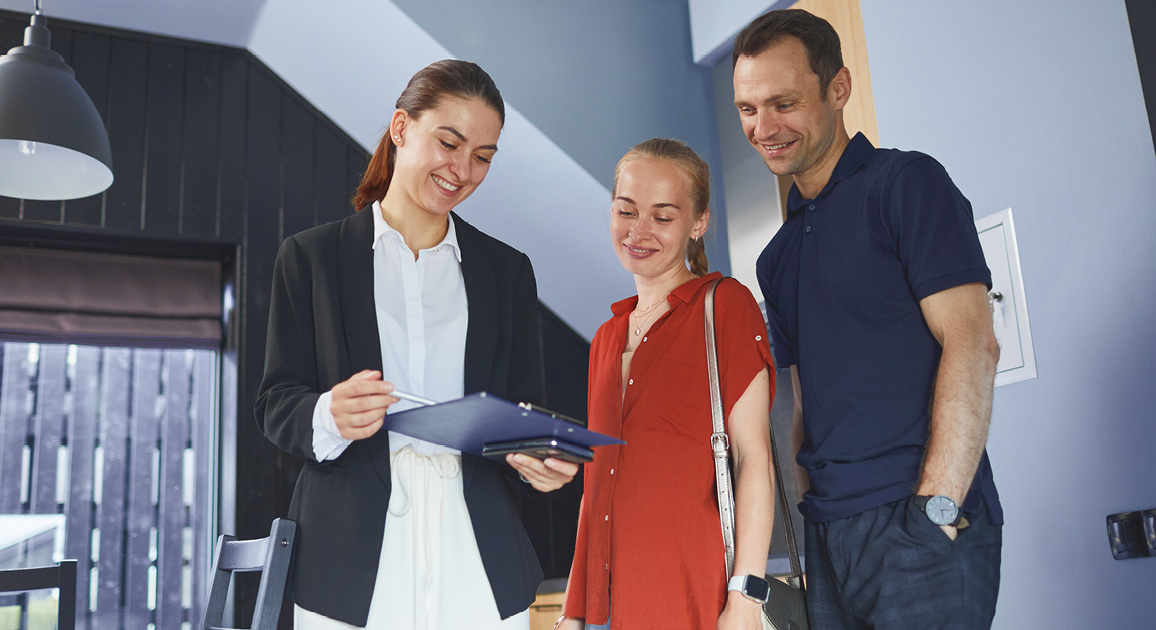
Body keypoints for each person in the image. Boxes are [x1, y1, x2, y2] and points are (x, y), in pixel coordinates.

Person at [255, 59, 578, 630]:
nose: (463, 170)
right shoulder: (310, 258)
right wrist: (329, 413)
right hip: (348, 556)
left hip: (477, 546)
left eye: (483, 156)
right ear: (401, 128)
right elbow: (277, 403)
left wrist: (535, 461)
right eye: (449, 143)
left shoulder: (506, 272)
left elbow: (519, 411)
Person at [734, 9, 1004, 629]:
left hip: (920, 520)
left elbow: (973, 343)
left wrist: (937, 511)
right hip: (829, 535)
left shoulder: (906, 184)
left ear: (839, 88)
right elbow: (803, 408)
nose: (763, 128)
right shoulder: (776, 257)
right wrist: (812, 520)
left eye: (783, 103)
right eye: (748, 109)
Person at [557, 139, 778, 630]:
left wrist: (746, 596)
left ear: (698, 223)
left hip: (696, 599)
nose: (638, 231)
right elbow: (595, 489)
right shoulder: (605, 338)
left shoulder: (726, 306)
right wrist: (573, 611)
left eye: (662, 216)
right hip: (607, 611)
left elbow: (753, 457)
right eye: (626, 211)